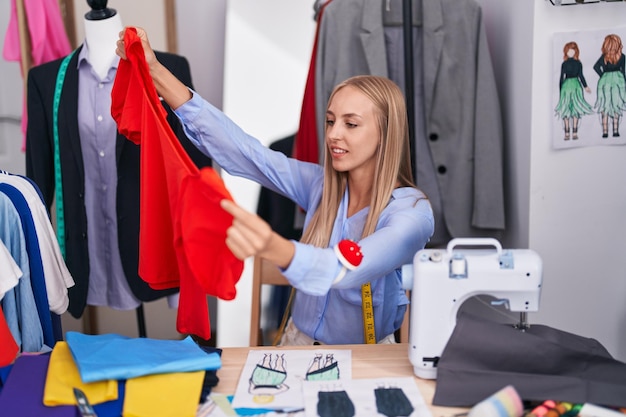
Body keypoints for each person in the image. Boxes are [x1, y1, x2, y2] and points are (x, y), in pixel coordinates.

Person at [115, 27, 434, 345]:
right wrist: (155, 70)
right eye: (330, 120)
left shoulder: (410, 214)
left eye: (350, 124)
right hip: (297, 341)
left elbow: (344, 270)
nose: (334, 134)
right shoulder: (321, 186)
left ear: (387, 134)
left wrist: (272, 246)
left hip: (367, 357)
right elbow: (248, 155)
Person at [554, 41, 593, 141]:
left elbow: (581, 75)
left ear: (576, 52)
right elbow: (561, 78)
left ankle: (574, 132)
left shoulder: (578, 63)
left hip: (575, 85)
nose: (570, 53)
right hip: (567, 86)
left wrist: (585, 86)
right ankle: (567, 132)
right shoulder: (564, 64)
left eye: (572, 51)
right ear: (566, 52)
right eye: (568, 51)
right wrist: (560, 91)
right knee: (566, 110)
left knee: (575, 109)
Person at [593, 34, 626, 138]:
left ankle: (605, 131)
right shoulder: (621, 56)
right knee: (614, 105)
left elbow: (596, 67)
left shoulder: (606, 57)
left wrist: (603, 75)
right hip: (616, 80)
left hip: (608, 81)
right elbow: (623, 71)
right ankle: (614, 130)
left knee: (607, 105)